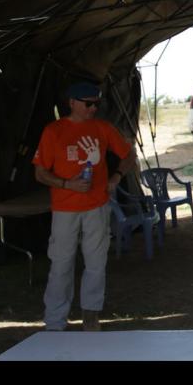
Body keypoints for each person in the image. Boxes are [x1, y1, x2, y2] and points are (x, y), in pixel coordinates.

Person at [32, 81, 135, 332]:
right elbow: (40, 173)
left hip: (96, 206)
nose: (93, 108)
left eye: (96, 104)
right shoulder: (54, 131)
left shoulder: (103, 128)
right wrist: (67, 184)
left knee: (96, 262)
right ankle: (55, 321)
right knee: (61, 264)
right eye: (88, 104)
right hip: (64, 209)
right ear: (72, 103)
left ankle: (91, 315)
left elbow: (129, 154)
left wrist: (116, 177)